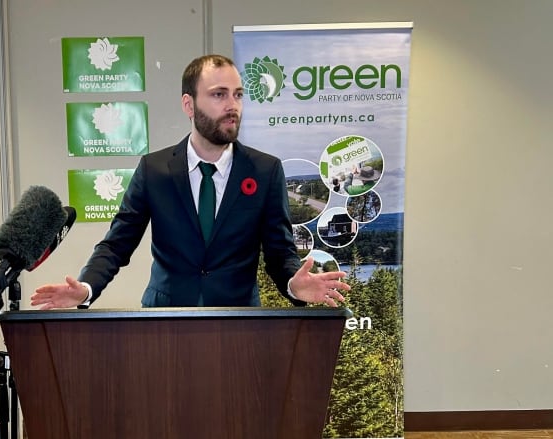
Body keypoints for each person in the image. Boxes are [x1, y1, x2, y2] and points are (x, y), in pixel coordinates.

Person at [32, 54, 349, 309]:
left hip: (239, 326)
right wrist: (86, 288)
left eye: (238, 95)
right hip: (165, 323)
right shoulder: (154, 169)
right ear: (189, 104)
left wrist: (294, 284)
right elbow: (117, 245)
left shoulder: (265, 171)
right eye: (218, 95)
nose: (232, 106)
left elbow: (280, 253)